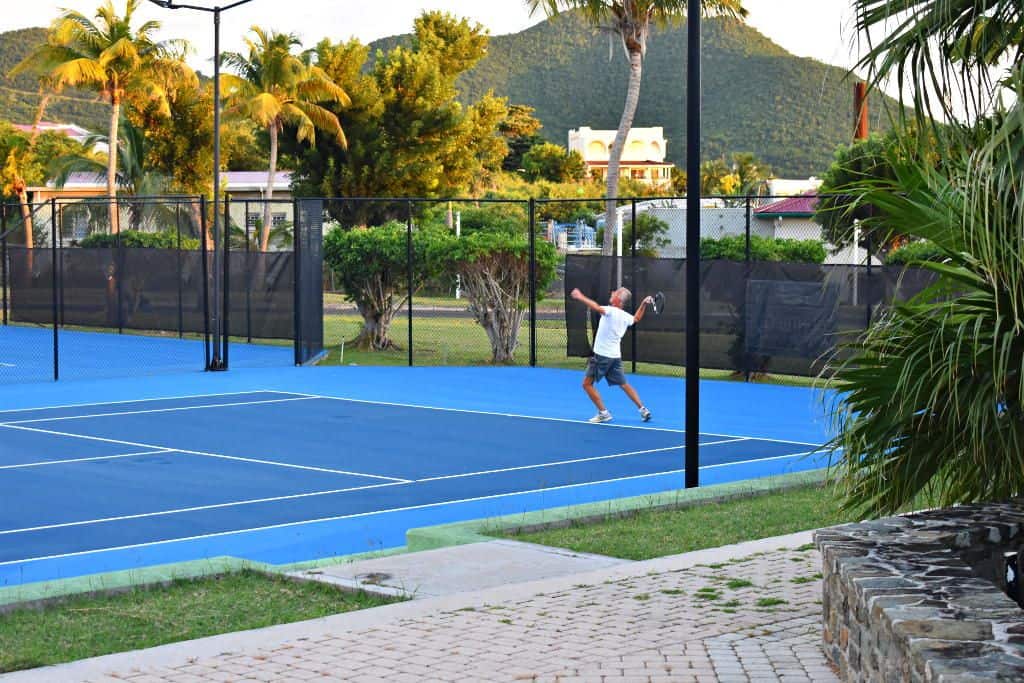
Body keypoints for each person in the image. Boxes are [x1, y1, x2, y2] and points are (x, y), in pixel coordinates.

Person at [570, 286, 652, 423]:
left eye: (615, 293)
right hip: (615, 357)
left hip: (601, 357)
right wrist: (643, 303)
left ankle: (603, 413)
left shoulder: (610, 311)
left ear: (618, 300)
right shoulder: (626, 317)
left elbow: (596, 307)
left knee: (586, 384)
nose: (612, 293)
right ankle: (643, 409)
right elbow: (637, 318)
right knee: (624, 384)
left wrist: (580, 297)